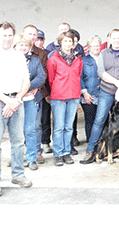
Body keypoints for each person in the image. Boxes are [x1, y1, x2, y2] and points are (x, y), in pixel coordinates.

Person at [0, 22, 32, 197]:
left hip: (17, 100)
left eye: (10, 35)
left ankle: (18, 175)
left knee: (18, 142)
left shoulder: (18, 55)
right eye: (4, 35)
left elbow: (26, 81)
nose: (8, 39)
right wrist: (6, 101)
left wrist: (16, 100)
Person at [80, 29, 119, 164]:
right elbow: (101, 72)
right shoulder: (103, 53)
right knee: (99, 120)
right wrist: (116, 84)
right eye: (113, 38)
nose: (116, 41)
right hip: (106, 91)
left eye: (118, 38)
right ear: (109, 39)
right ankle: (91, 149)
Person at [47, 30, 83, 166]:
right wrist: (57, 90)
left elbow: (78, 76)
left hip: (73, 97)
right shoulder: (53, 59)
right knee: (59, 127)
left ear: (74, 44)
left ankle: (66, 152)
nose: (68, 43)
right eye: (65, 41)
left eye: (71, 41)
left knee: (69, 127)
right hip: (59, 97)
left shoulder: (78, 60)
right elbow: (51, 79)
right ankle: (58, 153)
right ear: (61, 42)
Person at [14, 35, 46, 171]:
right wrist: (21, 90)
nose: (23, 48)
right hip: (14, 99)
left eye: (26, 45)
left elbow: (41, 77)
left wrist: (28, 87)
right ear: (15, 46)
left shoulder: (35, 61)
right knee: (15, 131)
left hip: (31, 99)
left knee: (30, 129)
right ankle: (16, 158)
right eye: (20, 45)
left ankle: (32, 158)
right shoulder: (9, 61)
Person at [22, 25, 48, 163]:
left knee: (35, 125)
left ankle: (37, 152)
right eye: (29, 34)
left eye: (34, 34)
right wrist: (22, 90)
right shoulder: (15, 51)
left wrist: (36, 87)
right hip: (17, 96)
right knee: (19, 126)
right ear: (23, 34)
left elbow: (43, 73)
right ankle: (22, 153)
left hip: (35, 94)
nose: (32, 37)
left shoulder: (41, 53)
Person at [80, 35, 102, 143]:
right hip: (89, 94)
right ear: (88, 47)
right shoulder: (83, 61)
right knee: (90, 120)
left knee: (102, 120)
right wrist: (84, 92)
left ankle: (102, 143)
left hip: (103, 94)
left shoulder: (104, 58)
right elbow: (79, 78)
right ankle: (91, 144)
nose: (96, 48)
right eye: (93, 46)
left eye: (98, 45)